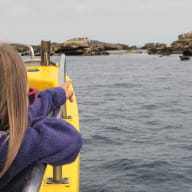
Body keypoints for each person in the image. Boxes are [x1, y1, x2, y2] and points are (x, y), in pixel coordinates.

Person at [0, 43, 82, 191]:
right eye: (26, 92)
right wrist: (30, 124)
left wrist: (57, 95)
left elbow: (28, 111)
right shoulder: (11, 147)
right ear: (17, 100)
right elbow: (70, 140)